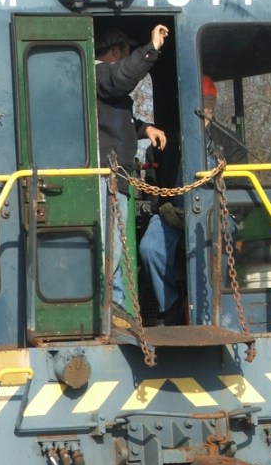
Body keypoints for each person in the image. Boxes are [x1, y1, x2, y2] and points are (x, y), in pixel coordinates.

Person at [139, 74, 247, 325]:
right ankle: (172, 307)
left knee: (217, 248)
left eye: (208, 105)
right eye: (200, 105)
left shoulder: (231, 144)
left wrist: (228, 213)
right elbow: (153, 183)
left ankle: (212, 309)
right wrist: (163, 207)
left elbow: (242, 188)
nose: (204, 111)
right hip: (172, 214)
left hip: (215, 214)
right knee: (149, 249)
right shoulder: (166, 142)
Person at [94, 24, 169, 325]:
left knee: (115, 242)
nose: (127, 61)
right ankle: (113, 308)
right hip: (104, 177)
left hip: (116, 177)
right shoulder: (99, 73)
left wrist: (143, 128)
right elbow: (119, 79)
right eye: (126, 54)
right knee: (109, 247)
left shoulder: (102, 83)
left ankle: (117, 306)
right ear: (116, 53)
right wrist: (151, 48)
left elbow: (115, 117)